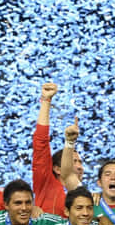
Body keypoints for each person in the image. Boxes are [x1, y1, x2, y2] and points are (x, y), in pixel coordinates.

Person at [33, 82, 81, 216]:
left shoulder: (85, 196)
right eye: (74, 161)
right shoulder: (45, 183)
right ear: (57, 169)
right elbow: (40, 143)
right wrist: (46, 101)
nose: (79, 166)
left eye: (80, 162)